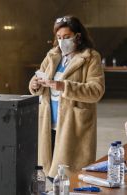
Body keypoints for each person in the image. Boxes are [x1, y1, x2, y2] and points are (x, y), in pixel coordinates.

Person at [28, 16, 105, 180]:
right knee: (50, 171)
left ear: (78, 36)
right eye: (59, 37)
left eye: (67, 37)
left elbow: (96, 90)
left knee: (70, 175)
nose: (62, 42)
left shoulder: (91, 57)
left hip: (73, 124)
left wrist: (65, 86)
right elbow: (38, 78)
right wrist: (34, 85)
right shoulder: (52, 55)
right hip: (50, 122)